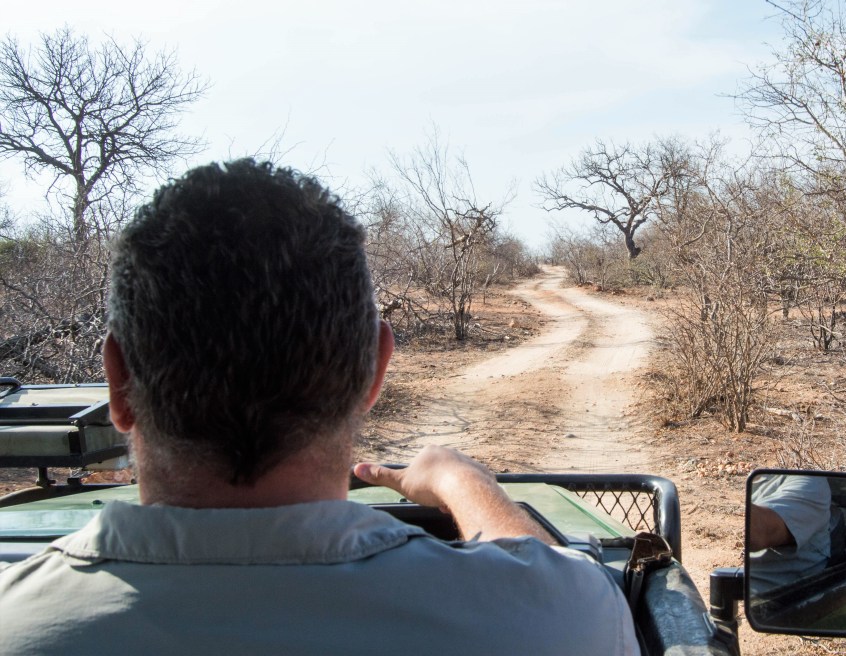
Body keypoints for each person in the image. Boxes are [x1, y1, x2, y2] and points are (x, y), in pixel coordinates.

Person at [0, 159, 640, 656]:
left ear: (117, 383)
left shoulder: (18, 620)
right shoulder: (552, 617)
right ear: (374, 370)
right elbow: (542, 576)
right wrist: (458, 479)